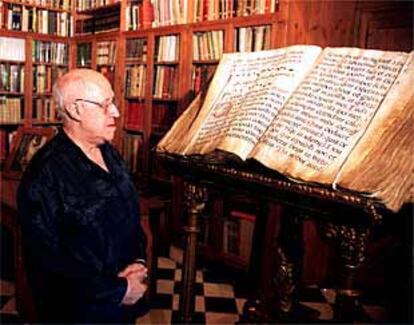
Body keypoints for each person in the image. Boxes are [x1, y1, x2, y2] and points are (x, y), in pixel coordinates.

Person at [17, 69, 149, 323]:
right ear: (76, 110)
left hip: (124, 302)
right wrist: (119, 290)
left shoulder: (109, 153)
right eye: (105, 105)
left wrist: (138, 262)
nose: (116, 113)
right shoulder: (44, 175)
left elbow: (130, 215)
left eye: (114, 102)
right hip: (81, 313)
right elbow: (46, 265)